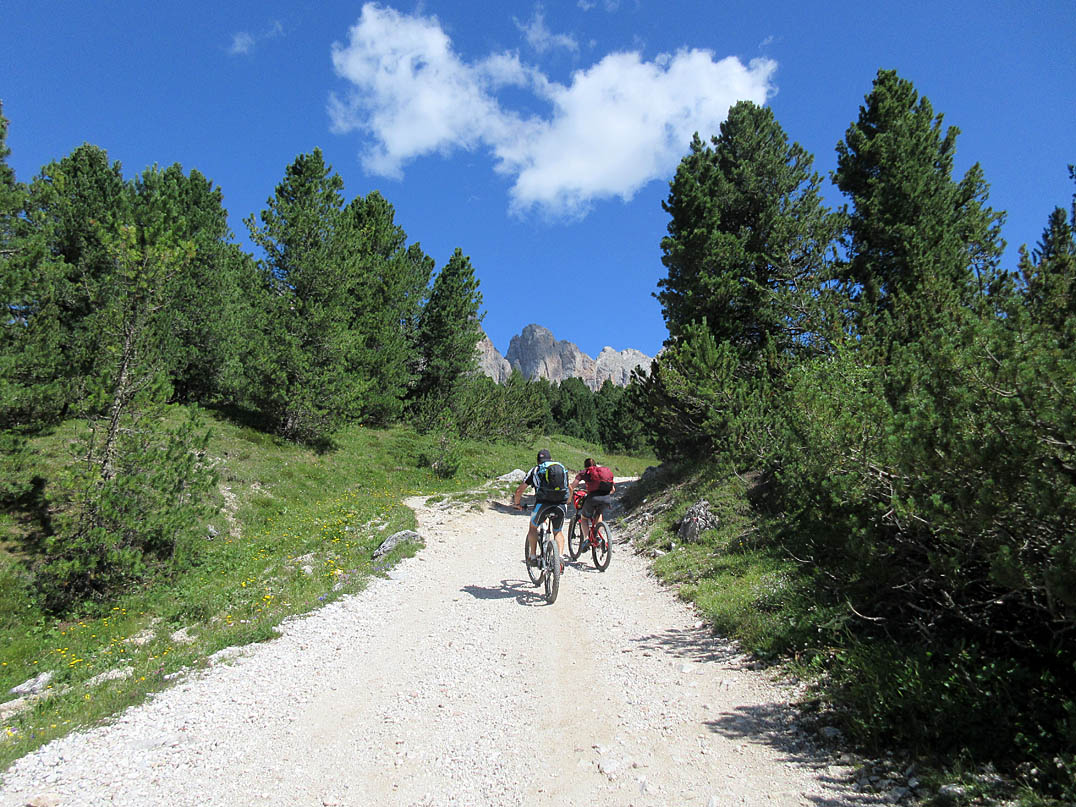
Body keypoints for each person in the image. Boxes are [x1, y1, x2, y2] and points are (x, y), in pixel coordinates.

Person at [513, 449, 569, 573]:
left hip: (542, 504)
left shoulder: (535, 470)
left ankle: (533, 557)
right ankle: (559, 558)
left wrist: (517, 504)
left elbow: (519, 490)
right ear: (551, 458)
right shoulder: (561, 468)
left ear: (538, 460)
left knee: (533, 528)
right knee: (558, 531)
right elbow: (569, 487)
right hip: (560, 504)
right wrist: (567, 502)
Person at [571, 458, 615, 544]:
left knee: (584, 518)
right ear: (595, 465)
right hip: (606, 498)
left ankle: (586, 539)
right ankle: (598, 536)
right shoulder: (602, 473)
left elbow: (573, 486)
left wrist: (569, 492)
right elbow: (613, 490)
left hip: (593, 499)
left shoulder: (584, 473)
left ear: (585, 466)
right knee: (599, 513)